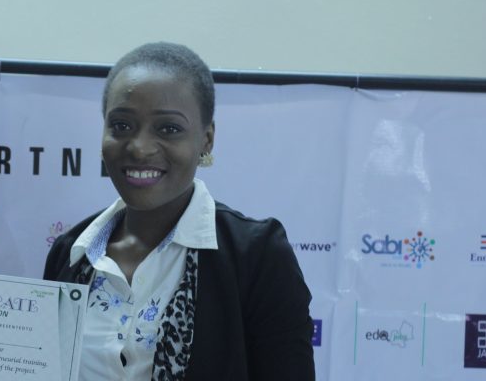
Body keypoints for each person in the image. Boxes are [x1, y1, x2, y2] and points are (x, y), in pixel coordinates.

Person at [44, 42, 314, 380]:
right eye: (122, 125)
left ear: (206, 139)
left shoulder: (256, 256)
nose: (140, 148)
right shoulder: (71, 254)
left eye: (168, 128)